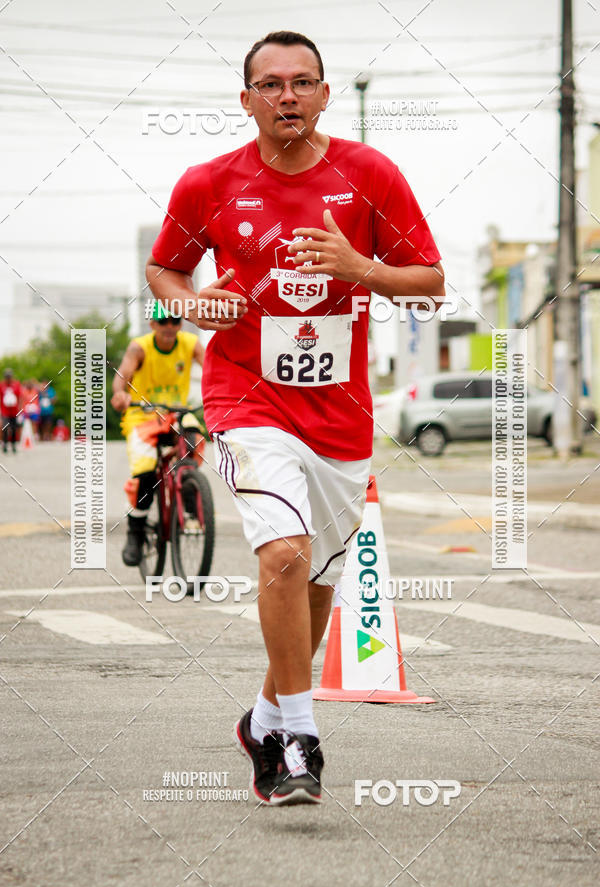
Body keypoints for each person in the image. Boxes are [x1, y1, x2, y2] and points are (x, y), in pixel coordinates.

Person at [146, 30, 444, 805]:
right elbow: (165, 268)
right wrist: (190, 303)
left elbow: (430, 284)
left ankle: (265, 716)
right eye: (271, 84)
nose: (288, 96)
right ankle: (298, 737)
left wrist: (361, 269)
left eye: (303, 82)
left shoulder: (370, 175)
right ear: (245, 100)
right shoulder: (208, 183)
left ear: (325, 95)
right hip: (247, 395)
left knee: (315, 577)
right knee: (283, 554)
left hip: (339, 417)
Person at [111, 303, 205, 566]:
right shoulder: (139, 347)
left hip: (175, 413)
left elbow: (211, 369)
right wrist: (120, 393)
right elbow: (122, 376)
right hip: (142, 415)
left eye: (175, 321)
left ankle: (188, 496)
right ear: (152, 324)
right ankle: (136, 531)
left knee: (194, 440)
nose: (169, 327)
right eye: (163, 322)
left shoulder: (190, 343)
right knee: (145, 473)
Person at [1, 368, 21, 453]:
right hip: (5, 411)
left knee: (13, 428)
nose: (8, 378)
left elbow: (19, 397)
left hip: (14, 411)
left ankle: (13, 445)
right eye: (7, 377)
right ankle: (5, 444)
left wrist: (20, 410)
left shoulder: (16, 384)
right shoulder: (1, 385)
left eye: (9, 376)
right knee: (5, 428)